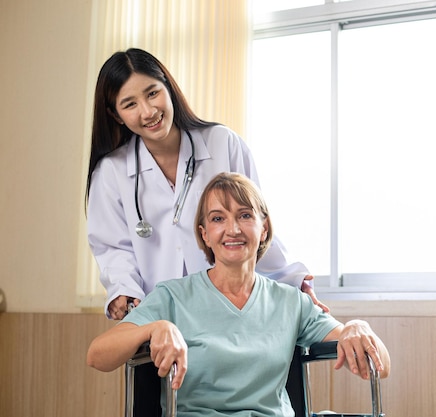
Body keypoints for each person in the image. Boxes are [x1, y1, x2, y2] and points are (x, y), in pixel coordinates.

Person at [86, 172, 390, 417]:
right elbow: (97, 356)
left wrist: (357, 326)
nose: (232, 229)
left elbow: (381, 366)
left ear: (264, 228)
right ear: (204, 234)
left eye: (245, 215)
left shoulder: (290, 302)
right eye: (218, 219)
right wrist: (155, 328)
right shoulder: (173, 297)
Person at [86, 48, 327, 319]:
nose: (148, 111)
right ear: (116, 115)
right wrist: (123, 290)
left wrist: (294, 280)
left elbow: (254, 223)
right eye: (130, 104)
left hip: (232, 311)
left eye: (153, 93)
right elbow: (113, 248)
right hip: (160, 319)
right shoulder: (111, 172)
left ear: (168, 86)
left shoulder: (223, 143)